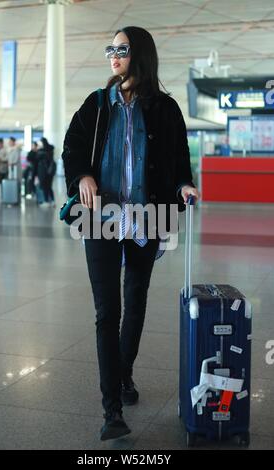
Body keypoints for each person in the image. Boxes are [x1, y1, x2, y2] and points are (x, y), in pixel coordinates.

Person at [62, 26, 200, 441]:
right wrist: (82, 175)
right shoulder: (97, 104)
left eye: (121, 49)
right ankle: (112, 410)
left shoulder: (165, 109)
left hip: (145, 218)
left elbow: (178, 160)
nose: (113, 56)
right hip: (100, 217)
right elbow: (72, 147)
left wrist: (183, 186)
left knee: (134, 300)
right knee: (108, 311)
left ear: (138, 54)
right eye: (110, 49)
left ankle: (124, 374)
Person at [36, 137, 56, 206]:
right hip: (50, 171)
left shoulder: (42, 151)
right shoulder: (50, 149)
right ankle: (52, 201)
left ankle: (47, 201)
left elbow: (37, 158)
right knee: (49, 186)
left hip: (44, 171)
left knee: (45, 186)